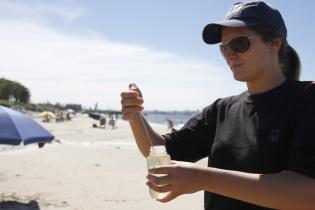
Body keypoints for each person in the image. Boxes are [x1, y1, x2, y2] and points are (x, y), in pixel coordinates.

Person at [120, 1, 315, 210]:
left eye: (239, 44)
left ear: (274, 43)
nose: (230, 54)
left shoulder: (306, 99)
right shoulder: (221, 110)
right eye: (224, 48)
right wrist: (136, 117)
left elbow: (306, 194)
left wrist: (201, 178)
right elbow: (161, 150)